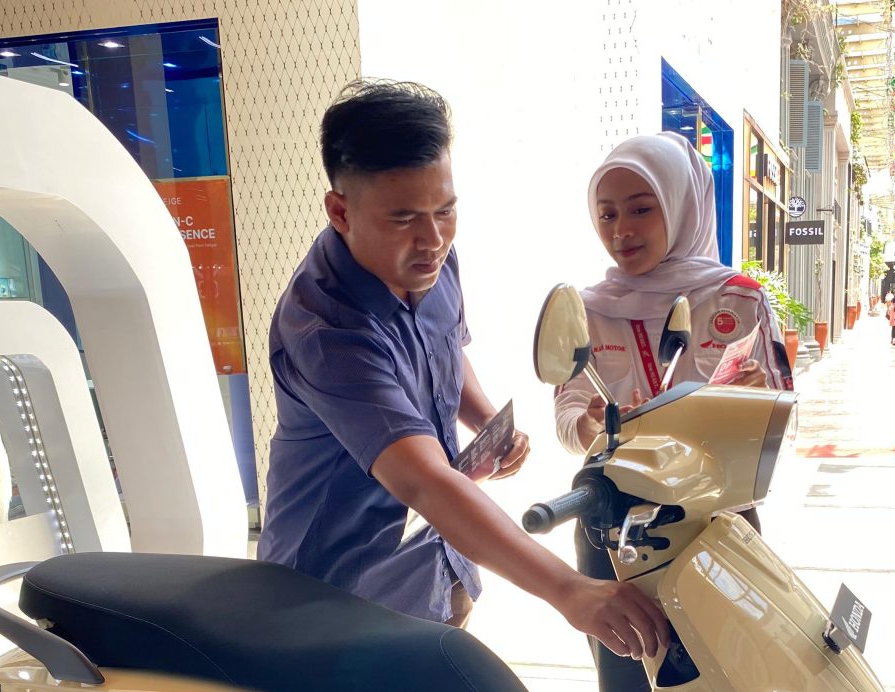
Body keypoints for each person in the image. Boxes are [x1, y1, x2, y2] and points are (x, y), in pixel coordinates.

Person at [258, 80, 667, 661]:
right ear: (339, 211)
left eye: (445, 211)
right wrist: (571, 591)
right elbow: (423, 480)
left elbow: (443, 348)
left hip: (434, 559)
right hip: (335, 596)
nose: (433, 240)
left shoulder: (434, 262)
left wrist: (480, 418)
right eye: (403, 219)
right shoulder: (326, 329)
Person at [554, 132, 790, 692]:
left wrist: (746, 405)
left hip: (714, 528)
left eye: (641, 210)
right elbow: (567, 399)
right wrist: (586, 428)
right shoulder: (585, 309)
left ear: (683, 205)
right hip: (610, 528)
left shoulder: (739, 300)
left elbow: (778, 404)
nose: (623, 232)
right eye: (607, 214)